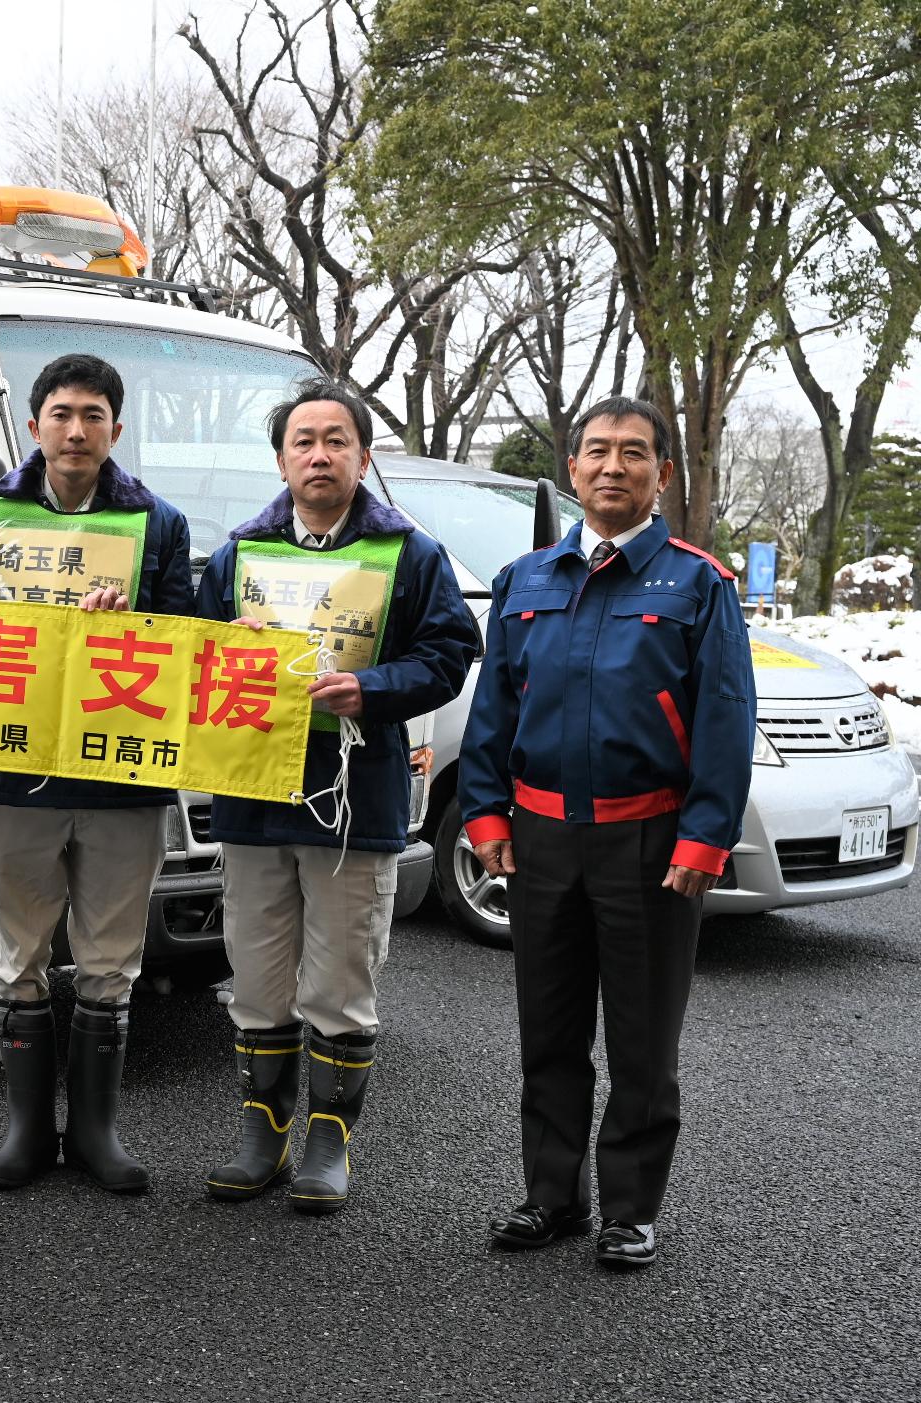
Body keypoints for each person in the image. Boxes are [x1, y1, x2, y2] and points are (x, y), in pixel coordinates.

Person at [461, 395, 754, 1270]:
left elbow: (725, 718)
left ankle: (631, 1206)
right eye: (596, 452)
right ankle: (551, 1196)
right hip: (543, 840)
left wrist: (706, 837)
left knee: (641, 1037)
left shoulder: (698, 583)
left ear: (663, 472)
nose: (613, 467)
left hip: (650, 845)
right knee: (546, 1031)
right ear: (574, 468)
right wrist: (483, 812)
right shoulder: (527, 580)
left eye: (634, 453)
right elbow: (493, 713)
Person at [196, 377, 479, 1213]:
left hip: (355, 796)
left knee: (341, 977)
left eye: (336, 440)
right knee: (256, 973)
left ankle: (329, 1140)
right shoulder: (239, 555)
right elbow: (193, 656)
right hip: (253, 792)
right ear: (281, 458)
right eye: (302, 441)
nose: (319, 455)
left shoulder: (409, 553)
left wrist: (373, 686)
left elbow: (450, 652)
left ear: (362, 454)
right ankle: (262, 1133)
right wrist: (225, 649)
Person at [0, 352, 194, 1194]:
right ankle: (24, 1131)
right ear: (34, 424)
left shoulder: (159, 523)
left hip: (120, 773)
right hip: (14, 768)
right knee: (17, 953)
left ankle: (95, 1133)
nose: (76, 429)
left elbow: (189, 644)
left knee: (109, 959)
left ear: (116, 429)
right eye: (61, 413)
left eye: (93, 414)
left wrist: (140, 623)